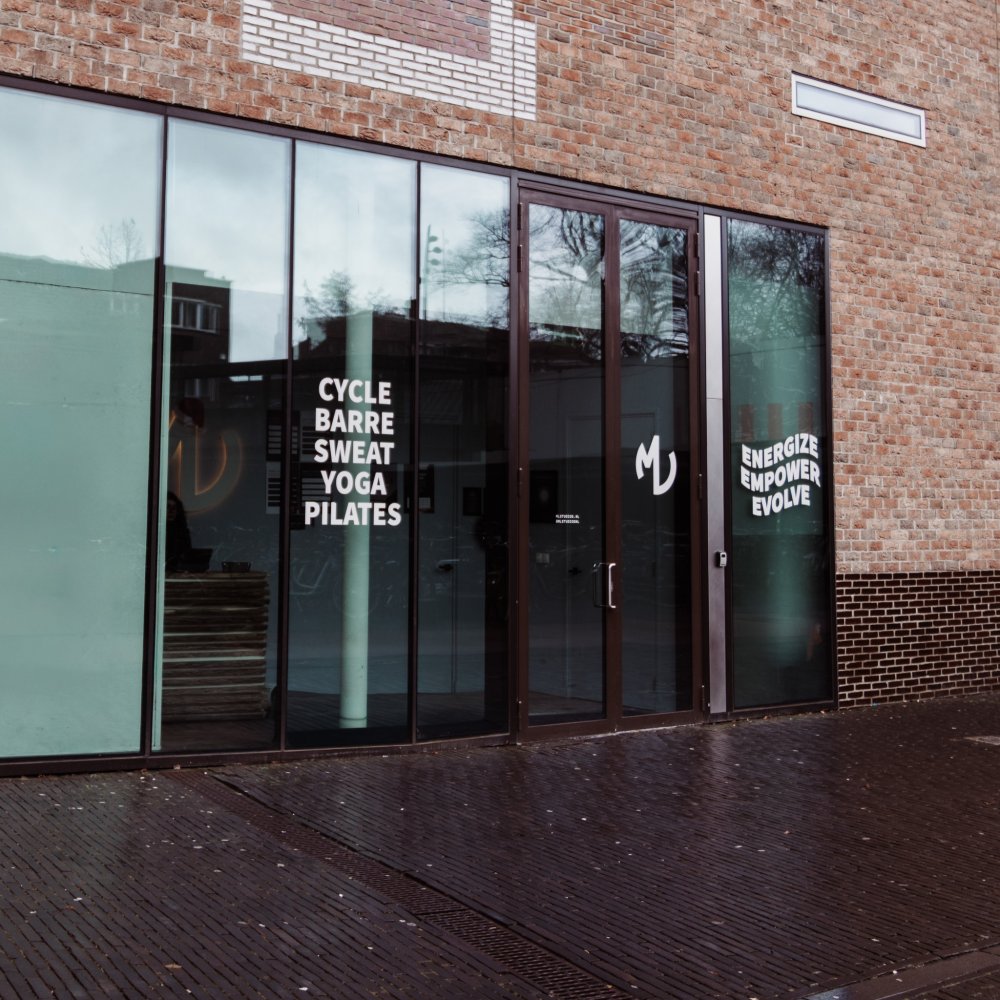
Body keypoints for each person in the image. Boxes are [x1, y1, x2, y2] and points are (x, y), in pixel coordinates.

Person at [165, 491, 192, 571]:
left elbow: (187, 554)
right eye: (168, 507)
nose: (171, 511)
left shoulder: (182, 532)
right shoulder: (156, 531)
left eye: (174, 508)